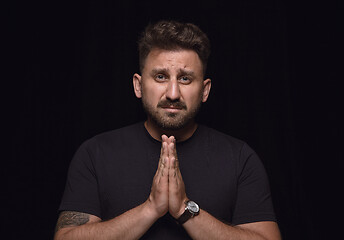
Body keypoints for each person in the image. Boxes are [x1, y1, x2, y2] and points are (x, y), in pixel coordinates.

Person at [54, 20, 281, 240]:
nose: (173, 93)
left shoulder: (240, 158)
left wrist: (185, 210)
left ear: (205, 90)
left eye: (185, 78)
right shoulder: (96, 153)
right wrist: (151, 209)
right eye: (161, 76)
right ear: (138, 85)